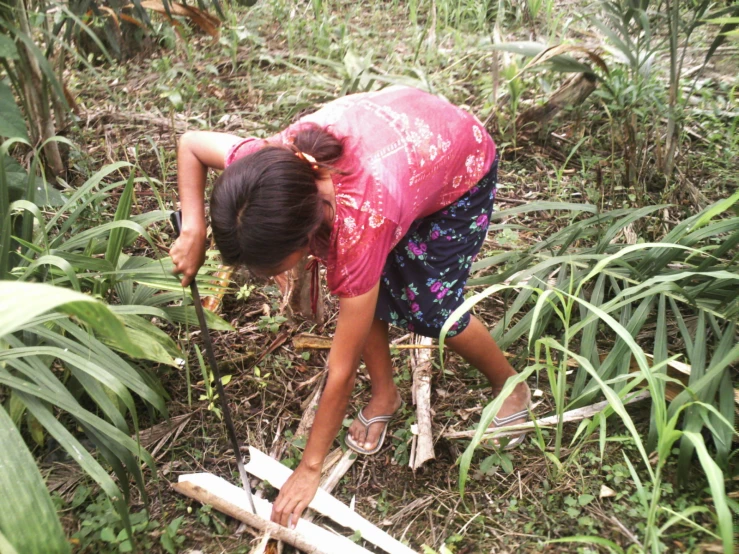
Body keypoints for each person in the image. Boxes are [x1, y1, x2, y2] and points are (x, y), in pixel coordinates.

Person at [170, 86, 531, 529]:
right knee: (362, 293)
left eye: (267, 269)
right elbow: (191, 144)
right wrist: (193, 226)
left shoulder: (360, 223)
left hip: (457, 164)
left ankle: (511, 385)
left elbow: (339, 371)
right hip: (404, 144)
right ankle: (386, 394)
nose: (263, 278)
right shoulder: (268, 172)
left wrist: (308, 469)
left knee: (431, 307)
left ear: (307, 236)